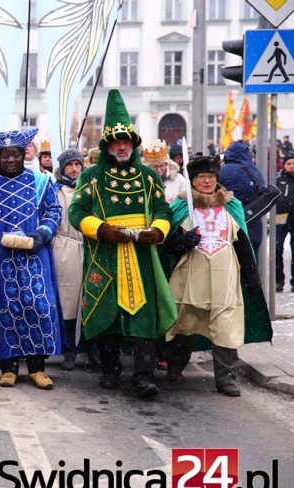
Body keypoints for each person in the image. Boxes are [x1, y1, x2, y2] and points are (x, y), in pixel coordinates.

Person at [68, 89, 176, 399]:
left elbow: (163, 211)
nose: (122, 146)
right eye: (116, 142)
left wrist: (157, 232)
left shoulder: (147, 177)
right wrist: (103, 230)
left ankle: (143, 375)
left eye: (126, 142)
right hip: (104, 254)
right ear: (107, 146)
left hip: (141, 257)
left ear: (134, 145)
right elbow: (76, 213)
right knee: (108, 313)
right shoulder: (91, 177)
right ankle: (110, 370)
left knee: (143, 316)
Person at [163, 154, 272, 397]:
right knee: (183, 323)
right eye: (201, 177)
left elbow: (242, 242)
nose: (206, 181)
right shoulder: (181, 207)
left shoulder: (230, 206)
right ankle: (175, 367)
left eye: (211, 176)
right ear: (192, 181)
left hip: (225, 278)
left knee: (226, 325)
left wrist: (252, 276)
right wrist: (182, 242)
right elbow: (167, 245)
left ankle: (225, 379)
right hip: (189, 278)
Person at [0, 128, 64, 389]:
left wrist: (42, 233)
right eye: (6, 155)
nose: (12, 160)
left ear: (22, 154)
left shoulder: (40, 181)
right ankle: (8, 367)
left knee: (38, 306)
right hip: (0, 258)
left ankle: (37, 367)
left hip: (35, 257)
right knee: (6, 308)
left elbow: (53, 210)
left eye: (16, 154)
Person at [52, 148, 100, 371]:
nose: (73, 169)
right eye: (69, 165)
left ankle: (92, 348)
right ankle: (69, 349)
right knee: (69, 301)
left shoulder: (92, 188)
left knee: (93, 298)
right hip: (65, 247)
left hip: (90, 245)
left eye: (77, 165)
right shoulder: (55, 190)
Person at [220, 141, 267, 255]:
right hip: (252, 221)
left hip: (228, 222)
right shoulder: (254, 171)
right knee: (251, 261)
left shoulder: (223, 171)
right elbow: (263, 190)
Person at [275, 151, 294, 292]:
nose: (291, 166)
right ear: (284, 165)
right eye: (288, 164)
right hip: (281, 217)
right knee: (277, 249)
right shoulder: (279, 179)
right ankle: (278, 281)